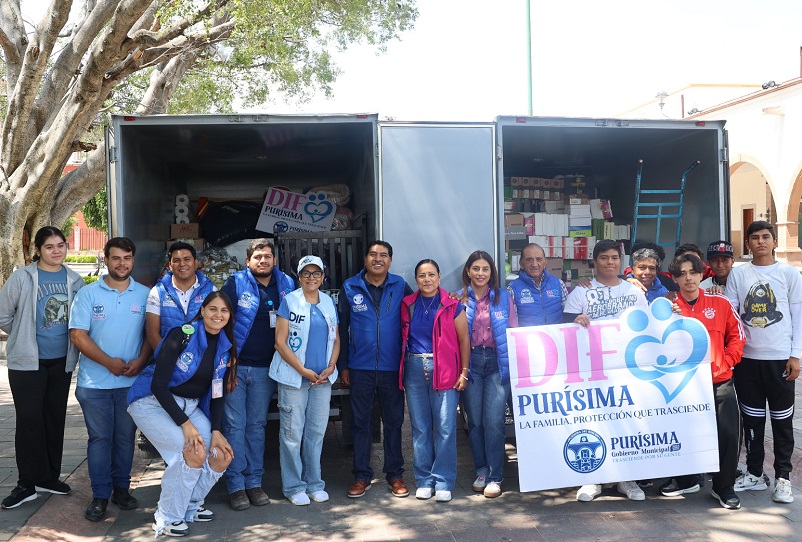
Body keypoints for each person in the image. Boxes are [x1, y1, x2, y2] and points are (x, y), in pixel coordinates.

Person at [128, 292, 237, 537]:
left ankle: (189, 505)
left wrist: (216, 431)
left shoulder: (225, 345)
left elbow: (217, 392)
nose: (218, 315)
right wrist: (186, 425)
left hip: (190, 406)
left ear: (230, 316)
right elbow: (158, 386)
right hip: (151, 402)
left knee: (220, 454)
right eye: (213, 309)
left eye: (224, 311)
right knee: (189, 452)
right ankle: (166, 518)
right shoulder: (182, 334)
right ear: (202, 310)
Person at [0, 227, 83, 509]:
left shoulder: (74, 280)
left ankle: (48, 477)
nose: (56, 251)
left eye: (61, 245)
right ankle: (26, 484)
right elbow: (3, 314)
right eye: (49, 246)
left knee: (54, 418)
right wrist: (23, 334)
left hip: (61, 362)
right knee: (29, 420)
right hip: (27, 363)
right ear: (38, 250)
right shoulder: (22, 277)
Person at [69, 237, 151, 522]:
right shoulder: (88, 294)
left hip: (130, 384)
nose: (122, 264)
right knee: (100, 439)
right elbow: (78, 336)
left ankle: (121, 489)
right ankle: (100, 495)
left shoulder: (145, 294)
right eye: (116, 258)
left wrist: (141, 361)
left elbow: (151, 334)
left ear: (133, 259)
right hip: (94, 385)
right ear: (105, 259)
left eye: (127, 258)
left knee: (125, 439)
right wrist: (109, 363)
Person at [563, 239, 648, 502]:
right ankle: (593, 478)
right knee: (593, 421)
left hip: (626, 369)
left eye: (614, 257)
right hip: (591, 372)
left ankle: (626, 478)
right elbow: (564, 328)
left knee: (626, 422)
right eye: (604, 258)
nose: (610, 262)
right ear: (595, 261)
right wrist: (575, 320)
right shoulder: (581, 292)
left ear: (621, 261)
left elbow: (645, 326)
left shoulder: (634, 291)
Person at [659, 253, 745, 509]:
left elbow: (737, 336)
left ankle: (724, 487)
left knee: (728, 433)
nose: (688, 278)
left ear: (701, 275)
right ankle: (686, 479)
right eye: (682, 274)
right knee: (682, 432)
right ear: (675, 279)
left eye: (693, 272)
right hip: (683, 385)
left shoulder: (720, 302)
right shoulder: (667, 307)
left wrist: (727, 361)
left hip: (719, 380)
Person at [725, 220, 801, 504]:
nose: (760, 242)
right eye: (755, 237)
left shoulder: (788, 274)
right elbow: (732, 315)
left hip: (780, 359)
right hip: (746, 360)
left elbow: (798, 316)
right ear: (747, 243)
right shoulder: (738, 274)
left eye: (766, 237)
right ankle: (755, 473)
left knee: (782, 422)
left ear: (774, 241)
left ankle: (783, 478)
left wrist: (796, 355)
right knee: (752, 421)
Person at [220, 238, 294, 510]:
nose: (263, 261)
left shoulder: (287, 283)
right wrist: (227, 362)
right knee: (234, 426)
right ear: (248, 260)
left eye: (267, 256)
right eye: (257, 257)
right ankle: (236, 485)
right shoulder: (235, 283)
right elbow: (220, 322)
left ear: (274, 259)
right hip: (236, 368)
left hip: (267, 369)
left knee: (256, 426)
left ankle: (254, 482)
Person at [338, 241, 412, 499]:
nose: (378, 259)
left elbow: (424, 306)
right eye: (372, 254)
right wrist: (343, 366)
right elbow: (342, 330)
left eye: (383, 255)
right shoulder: (350, 287)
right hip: (360, 368)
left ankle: (394, 474)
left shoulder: (400, 286)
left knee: (394, 422)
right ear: (365, 258)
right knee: (360, 423)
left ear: (390, 261)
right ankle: (361, 476)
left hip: (392, 368)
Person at [270, 255, 339, 506]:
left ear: (323, 276)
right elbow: (280, 343)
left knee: (316, 433)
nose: (312, 278)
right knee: (291, 434)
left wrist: (331, 367)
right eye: (306, 273)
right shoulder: (290, 301)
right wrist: (303, 370)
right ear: (299, 277)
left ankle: (314, 483)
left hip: (323, 380)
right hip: (294, 379)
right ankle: (293, 486)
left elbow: (336, 339)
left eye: (316, 273)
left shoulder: (328, 302)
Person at [400, 259, 470, 503]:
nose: (427, 279)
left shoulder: (453, 305)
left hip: (445, 369)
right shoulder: (408, 304)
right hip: (414, 368)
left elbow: (464, 340)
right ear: (416, 279)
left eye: (431, 274)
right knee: (420, 428)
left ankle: (443, 481)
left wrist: (464, 372)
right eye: (422, 275)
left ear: (439, 277)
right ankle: (424, 480)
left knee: (445, 427)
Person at [458, 251, 517, 498]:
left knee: (494, 422)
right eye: (476, 268)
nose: (480, 273)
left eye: (485, 269)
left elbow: (514, 330)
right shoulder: (458, 298)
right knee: (475, 421)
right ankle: (481, 471)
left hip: (497, 363)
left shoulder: (504, 297)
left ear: (492, 272)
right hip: (470, 363)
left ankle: (495, 477)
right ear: (468, 271)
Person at [145, 241, 216, 351]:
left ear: (196, 263)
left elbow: (217, 327)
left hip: (202, 357)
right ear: (170, 266)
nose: (182, 264)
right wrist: (168, 357)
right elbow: (152, 333)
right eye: (176, 260)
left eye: (187, 259)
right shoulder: (157, 292)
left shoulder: (211, 290)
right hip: (169, 357)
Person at [507, 243, 567, 327]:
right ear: (521, 264)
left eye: (539, 259)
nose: (534, 264)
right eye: (529, 260)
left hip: (556, 335)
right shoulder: (512, 289)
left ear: (545, 263)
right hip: (528, 335)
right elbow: (513, 325)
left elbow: (569, 317)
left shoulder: (559, 284)